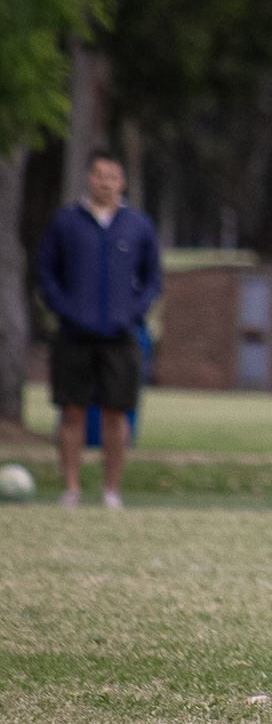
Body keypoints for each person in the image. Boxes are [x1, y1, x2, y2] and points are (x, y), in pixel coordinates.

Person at [36, 153, 161, 510]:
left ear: (122, 182)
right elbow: (46, 272)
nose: (105, 183)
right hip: (74, 335)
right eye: (99, 175)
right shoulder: (66, 222)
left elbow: (152, 279)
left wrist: (132, 312)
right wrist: (65, 310)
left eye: (113, 177)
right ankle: (71, 490)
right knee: (72, 411)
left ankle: (111, 492)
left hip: (120, 336)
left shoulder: (138, 225)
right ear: (89, 177)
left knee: (116, 413)